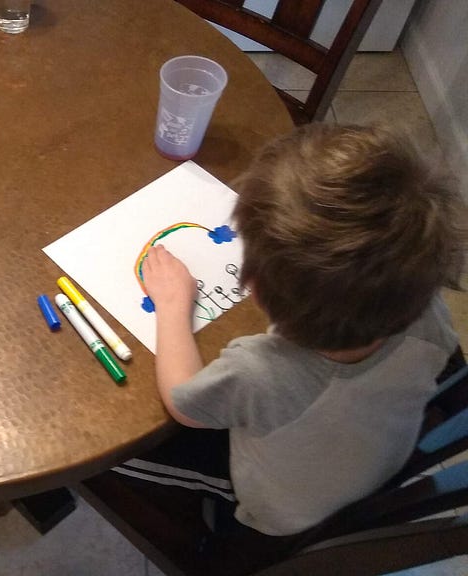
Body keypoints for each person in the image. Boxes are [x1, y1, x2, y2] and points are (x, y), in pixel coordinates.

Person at [115, 123, 465, 538]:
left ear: (255, 289)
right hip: (381, 459)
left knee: (121, 454)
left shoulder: (257, 371)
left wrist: (173, 307)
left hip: (285, 512)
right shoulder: (428, 314)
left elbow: (182, 404)